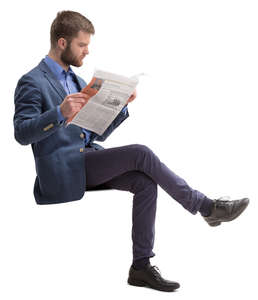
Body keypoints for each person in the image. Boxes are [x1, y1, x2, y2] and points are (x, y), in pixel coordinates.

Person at [13, 10, 249, 292]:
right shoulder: (32, 81)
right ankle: (206, 207)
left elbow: (92, 132)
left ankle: (140, 267)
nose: (87, 51)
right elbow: (22, 133)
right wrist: (59, 113)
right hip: (63, 169)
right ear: (62, 43)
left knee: (144, 181)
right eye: (82, 45)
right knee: (141, 153)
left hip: (86, 157)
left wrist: (119, 106)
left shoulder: (75, 80)